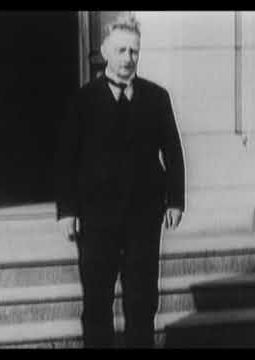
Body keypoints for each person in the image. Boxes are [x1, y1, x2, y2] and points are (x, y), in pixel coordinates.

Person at [55, 14, 185, 348]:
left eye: (134, 51)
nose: (128, 58)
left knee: (142, 300)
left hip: (144, 216)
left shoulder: (157, 98)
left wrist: (175, 200)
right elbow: (66, 160)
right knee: (97, 301)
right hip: (96, 218)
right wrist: (67, 210)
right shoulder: (83, 100)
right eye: (122, 50)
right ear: (105, 52)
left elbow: (173, 150)